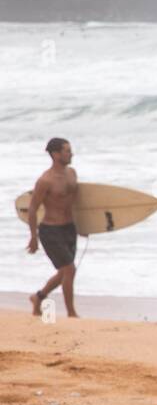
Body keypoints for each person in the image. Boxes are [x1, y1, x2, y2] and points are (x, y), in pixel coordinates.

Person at [26, 137, 80, 319]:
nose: (71, 153)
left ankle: (38, 297)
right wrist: (33, 237)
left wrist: (86, 224)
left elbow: (76, 203)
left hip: (69, 228)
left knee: (64, 272)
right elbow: (32, 208)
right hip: (51, 230)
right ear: (56, 154)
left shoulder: (72, 173)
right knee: (70, 270)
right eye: (67, 150)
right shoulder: (45, 180)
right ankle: (71, 313)